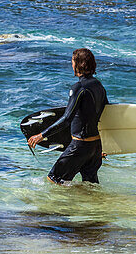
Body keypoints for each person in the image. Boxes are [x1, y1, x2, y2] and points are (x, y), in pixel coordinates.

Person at [27, 48, 109, 185]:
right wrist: (104, 147)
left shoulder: (79, 87)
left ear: (78, 64)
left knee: (53, 180)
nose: (71, 65)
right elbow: (104, 114)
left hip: (80, 145)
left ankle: (63, 205)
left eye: (72, 61)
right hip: (95, 145)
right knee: (90, 185)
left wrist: (42, 135)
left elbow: (67, 119)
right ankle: (93, 206)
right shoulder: (99, 86)